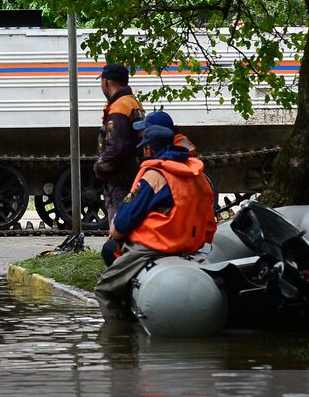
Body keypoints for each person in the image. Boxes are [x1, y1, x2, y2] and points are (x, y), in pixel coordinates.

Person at [93, 121, 217, 321]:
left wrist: (115, 233)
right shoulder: (198, 175)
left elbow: (125, 220)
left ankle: (120, 339)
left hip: (156, 246)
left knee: (104, 289)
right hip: (192, 245)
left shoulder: (155, 176)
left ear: (150, 148)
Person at [93, 63, 145, 228]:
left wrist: (100, 168)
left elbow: (117, 147)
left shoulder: (119, 107)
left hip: (121, 178)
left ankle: (117, 251)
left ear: (106, 81)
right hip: (134, 173)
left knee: (118, 224)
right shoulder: (132, 102)